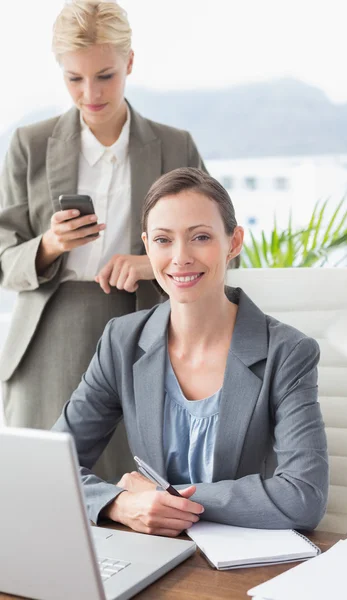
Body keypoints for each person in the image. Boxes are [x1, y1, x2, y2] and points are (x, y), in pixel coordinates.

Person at [53, 167, 329, 535]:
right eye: (164, 240)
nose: (180, 257)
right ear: (147, 246)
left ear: (233, 243)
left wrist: (162, 496)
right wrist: (119, 503)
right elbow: (54, 465)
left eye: (200, 237)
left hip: (242, 558)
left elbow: (303, 498)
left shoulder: (288, 352)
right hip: (150, 549)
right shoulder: (122, 340)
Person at [0, 1, 206, 480]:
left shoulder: (176, 147)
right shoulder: (29, 146)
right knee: (43, 487)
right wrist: (49, 244)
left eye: (106, 76)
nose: (89, 93)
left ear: (130, 63)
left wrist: (149, 263)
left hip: (145, 330)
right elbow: (4, 261)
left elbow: (214, 250)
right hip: (49, 337)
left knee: (141, 488)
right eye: (74, 78)